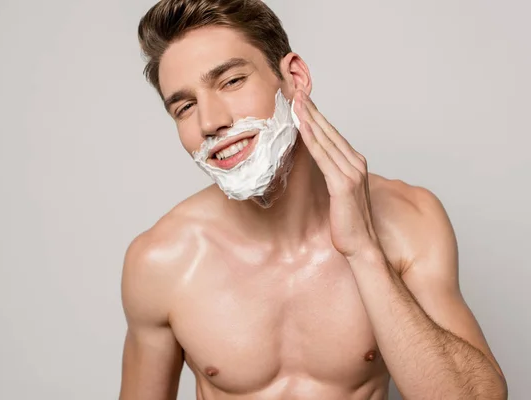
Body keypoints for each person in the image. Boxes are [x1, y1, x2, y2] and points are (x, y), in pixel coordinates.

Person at [119, 1, 507, 399]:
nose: (210, 122)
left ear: (294, 79)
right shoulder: (161, 260)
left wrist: (365, 251)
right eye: (185, 107)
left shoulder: (409, 221)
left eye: (231, 81)